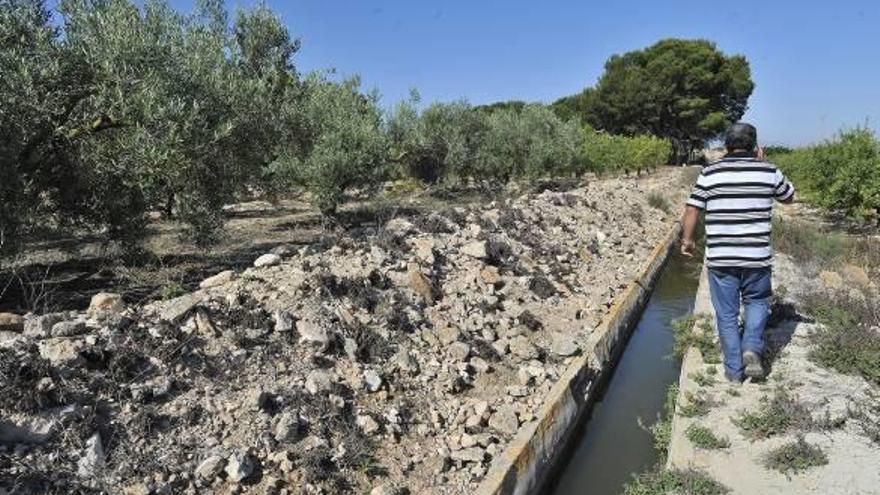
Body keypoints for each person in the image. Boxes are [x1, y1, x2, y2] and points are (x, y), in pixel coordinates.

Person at [680, 123, 795, 383]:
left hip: (721, 257)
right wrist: (763, 164)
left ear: (727, 145)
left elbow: (692, 209)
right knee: (757, 302)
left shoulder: (710, 173)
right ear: (755, 146)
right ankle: (752, 346)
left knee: (727, 314)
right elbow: (789, 197)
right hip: (756, 256)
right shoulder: (769, 171)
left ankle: (733, 373)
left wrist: (687, 240)